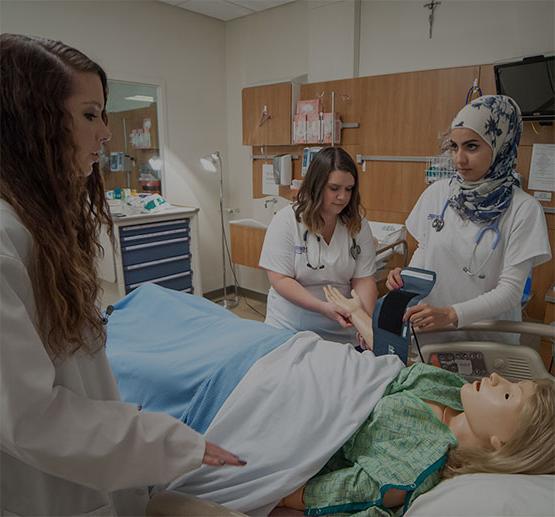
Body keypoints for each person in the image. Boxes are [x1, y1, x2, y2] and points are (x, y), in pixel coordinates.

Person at [0, 33, 244, 517]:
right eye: (90, 115)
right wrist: (160, 442)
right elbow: (29, 417)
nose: (106, 133)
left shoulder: (39, 226)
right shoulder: (7, 241)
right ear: (32, 123)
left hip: (100, 472)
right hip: (50, 491)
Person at [279, 287, 555, 516]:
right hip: (309, 363)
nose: (496, 377)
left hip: (298, 407)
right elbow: (392, 367)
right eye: (512, 383)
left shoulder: (415, 464)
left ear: (503, 443)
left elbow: (328, 492)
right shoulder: (455, 391)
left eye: (508, 395)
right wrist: (356, 313)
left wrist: (265, 492)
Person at [386, 95, 551, 344]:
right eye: (454, 146)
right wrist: (406, 278)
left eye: (471, 147)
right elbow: (425, 249)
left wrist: (452, 314)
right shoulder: (438, 193)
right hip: (433, 334)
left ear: (501, 146)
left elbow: (510, 292)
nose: (459, 159)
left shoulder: (524, 209)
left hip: (489, 339)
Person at [259, 146, 378, 345]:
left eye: (349, 189)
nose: (343, 197)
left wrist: (363, 321)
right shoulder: (287, 221)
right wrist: (322, 307)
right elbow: (279, 279)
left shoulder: (357, 224)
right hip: (291, 327)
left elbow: (364, 279)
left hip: (343, 330)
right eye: (334, 188)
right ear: (316, 185)